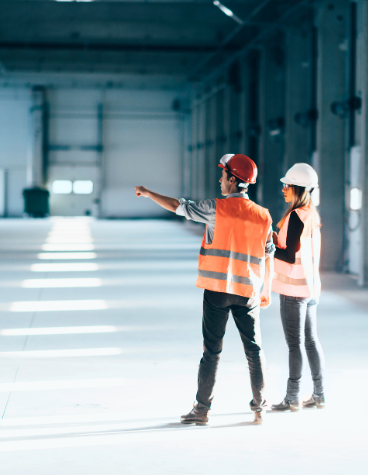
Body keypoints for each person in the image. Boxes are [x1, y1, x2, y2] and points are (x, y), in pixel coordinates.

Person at [134, 154, 275, 425]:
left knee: (212, 351)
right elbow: (268, 253)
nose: (220, 180)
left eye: (223, 176)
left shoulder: (216, 208)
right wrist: (265, 289)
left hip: (217, 290)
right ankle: (260, 407)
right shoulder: (263, 216)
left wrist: (149, 193)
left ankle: (201, 410)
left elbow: (178, 206)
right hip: (248, 292)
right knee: (254, 350)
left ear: (233, 180)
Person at [269, 163, 326, 412]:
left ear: (297, 188)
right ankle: (319, 395)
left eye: (287, 185)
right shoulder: (311, 215)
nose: (283, 189)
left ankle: (292, 397)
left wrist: (270, 246)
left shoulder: (294, 216)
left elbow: (288, 256)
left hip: (293, 291)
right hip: (311, 289)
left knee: (295, 344)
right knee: (311, 342)